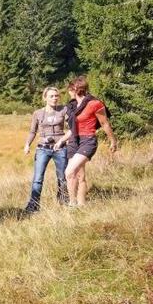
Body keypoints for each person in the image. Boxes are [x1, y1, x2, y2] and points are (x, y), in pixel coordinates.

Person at [64, 76, 118, 207]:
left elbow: (104, 123)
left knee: (69, 171)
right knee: (78, 175)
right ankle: (78, 205)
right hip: (73, 141)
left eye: (72, 88)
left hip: (88, 140)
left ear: (76, 88)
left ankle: (73, 205)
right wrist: (61, 140)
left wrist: (113, 141)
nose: (70, 90)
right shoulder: (72, 105)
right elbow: (71, 128)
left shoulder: (94, 103)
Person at [23, 86, 69, 213]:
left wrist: (64, 140)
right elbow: (33, 131)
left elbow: (71, 128)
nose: (55, 98)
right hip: (43, 148)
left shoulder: (63, 110)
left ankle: (63, 200)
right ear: (45, 98)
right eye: (51, 96)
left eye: (56, 96)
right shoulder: (38, 113)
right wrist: (27, 144)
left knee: (62, 177)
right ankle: (34, 205)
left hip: (60, 148)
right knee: (38, 178)